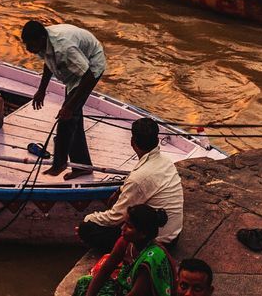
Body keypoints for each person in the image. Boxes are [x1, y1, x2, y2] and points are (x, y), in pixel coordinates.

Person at [78, 117, 184, 254]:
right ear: (157, 141)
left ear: (132, 142)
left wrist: (88, 220)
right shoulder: (166, 162)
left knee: (87, 230)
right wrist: (119, 191)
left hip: (159, 241)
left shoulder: (139, 178)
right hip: (173, 234)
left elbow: (114, 218)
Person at [21, 20, 106, 178]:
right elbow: (49, 63)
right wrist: (41, 90)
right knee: (73, 116)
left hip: (91, 66)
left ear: (41, 38)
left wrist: (69, 106)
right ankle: (83, 166)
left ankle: (59, 164)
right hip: (76, 70)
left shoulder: (64, 48)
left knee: (67, 118)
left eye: (30, 45)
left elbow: (88, 77)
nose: (28, 49)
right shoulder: (43, 43)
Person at [74, 204, 174, 296]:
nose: (123, 228)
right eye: (124, 223)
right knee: (84, 282)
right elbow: (105, 271)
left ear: (143, 233)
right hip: (123, 288)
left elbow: (135, 293)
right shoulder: (125, 242)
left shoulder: (152, 258)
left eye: (129, 226)